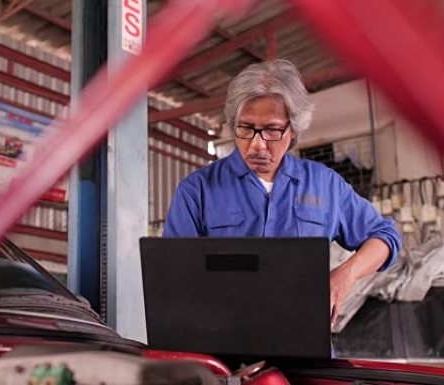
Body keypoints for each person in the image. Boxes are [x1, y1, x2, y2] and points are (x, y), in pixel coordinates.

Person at [163, 59, 402, 326]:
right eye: (245, 128)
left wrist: (344, 276)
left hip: (305, 344)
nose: (256, 145)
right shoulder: (197, 190)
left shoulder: (324, 184)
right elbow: (174, 278)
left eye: (272, 130)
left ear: (293, 129)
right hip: (223, 350)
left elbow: (385, 236)